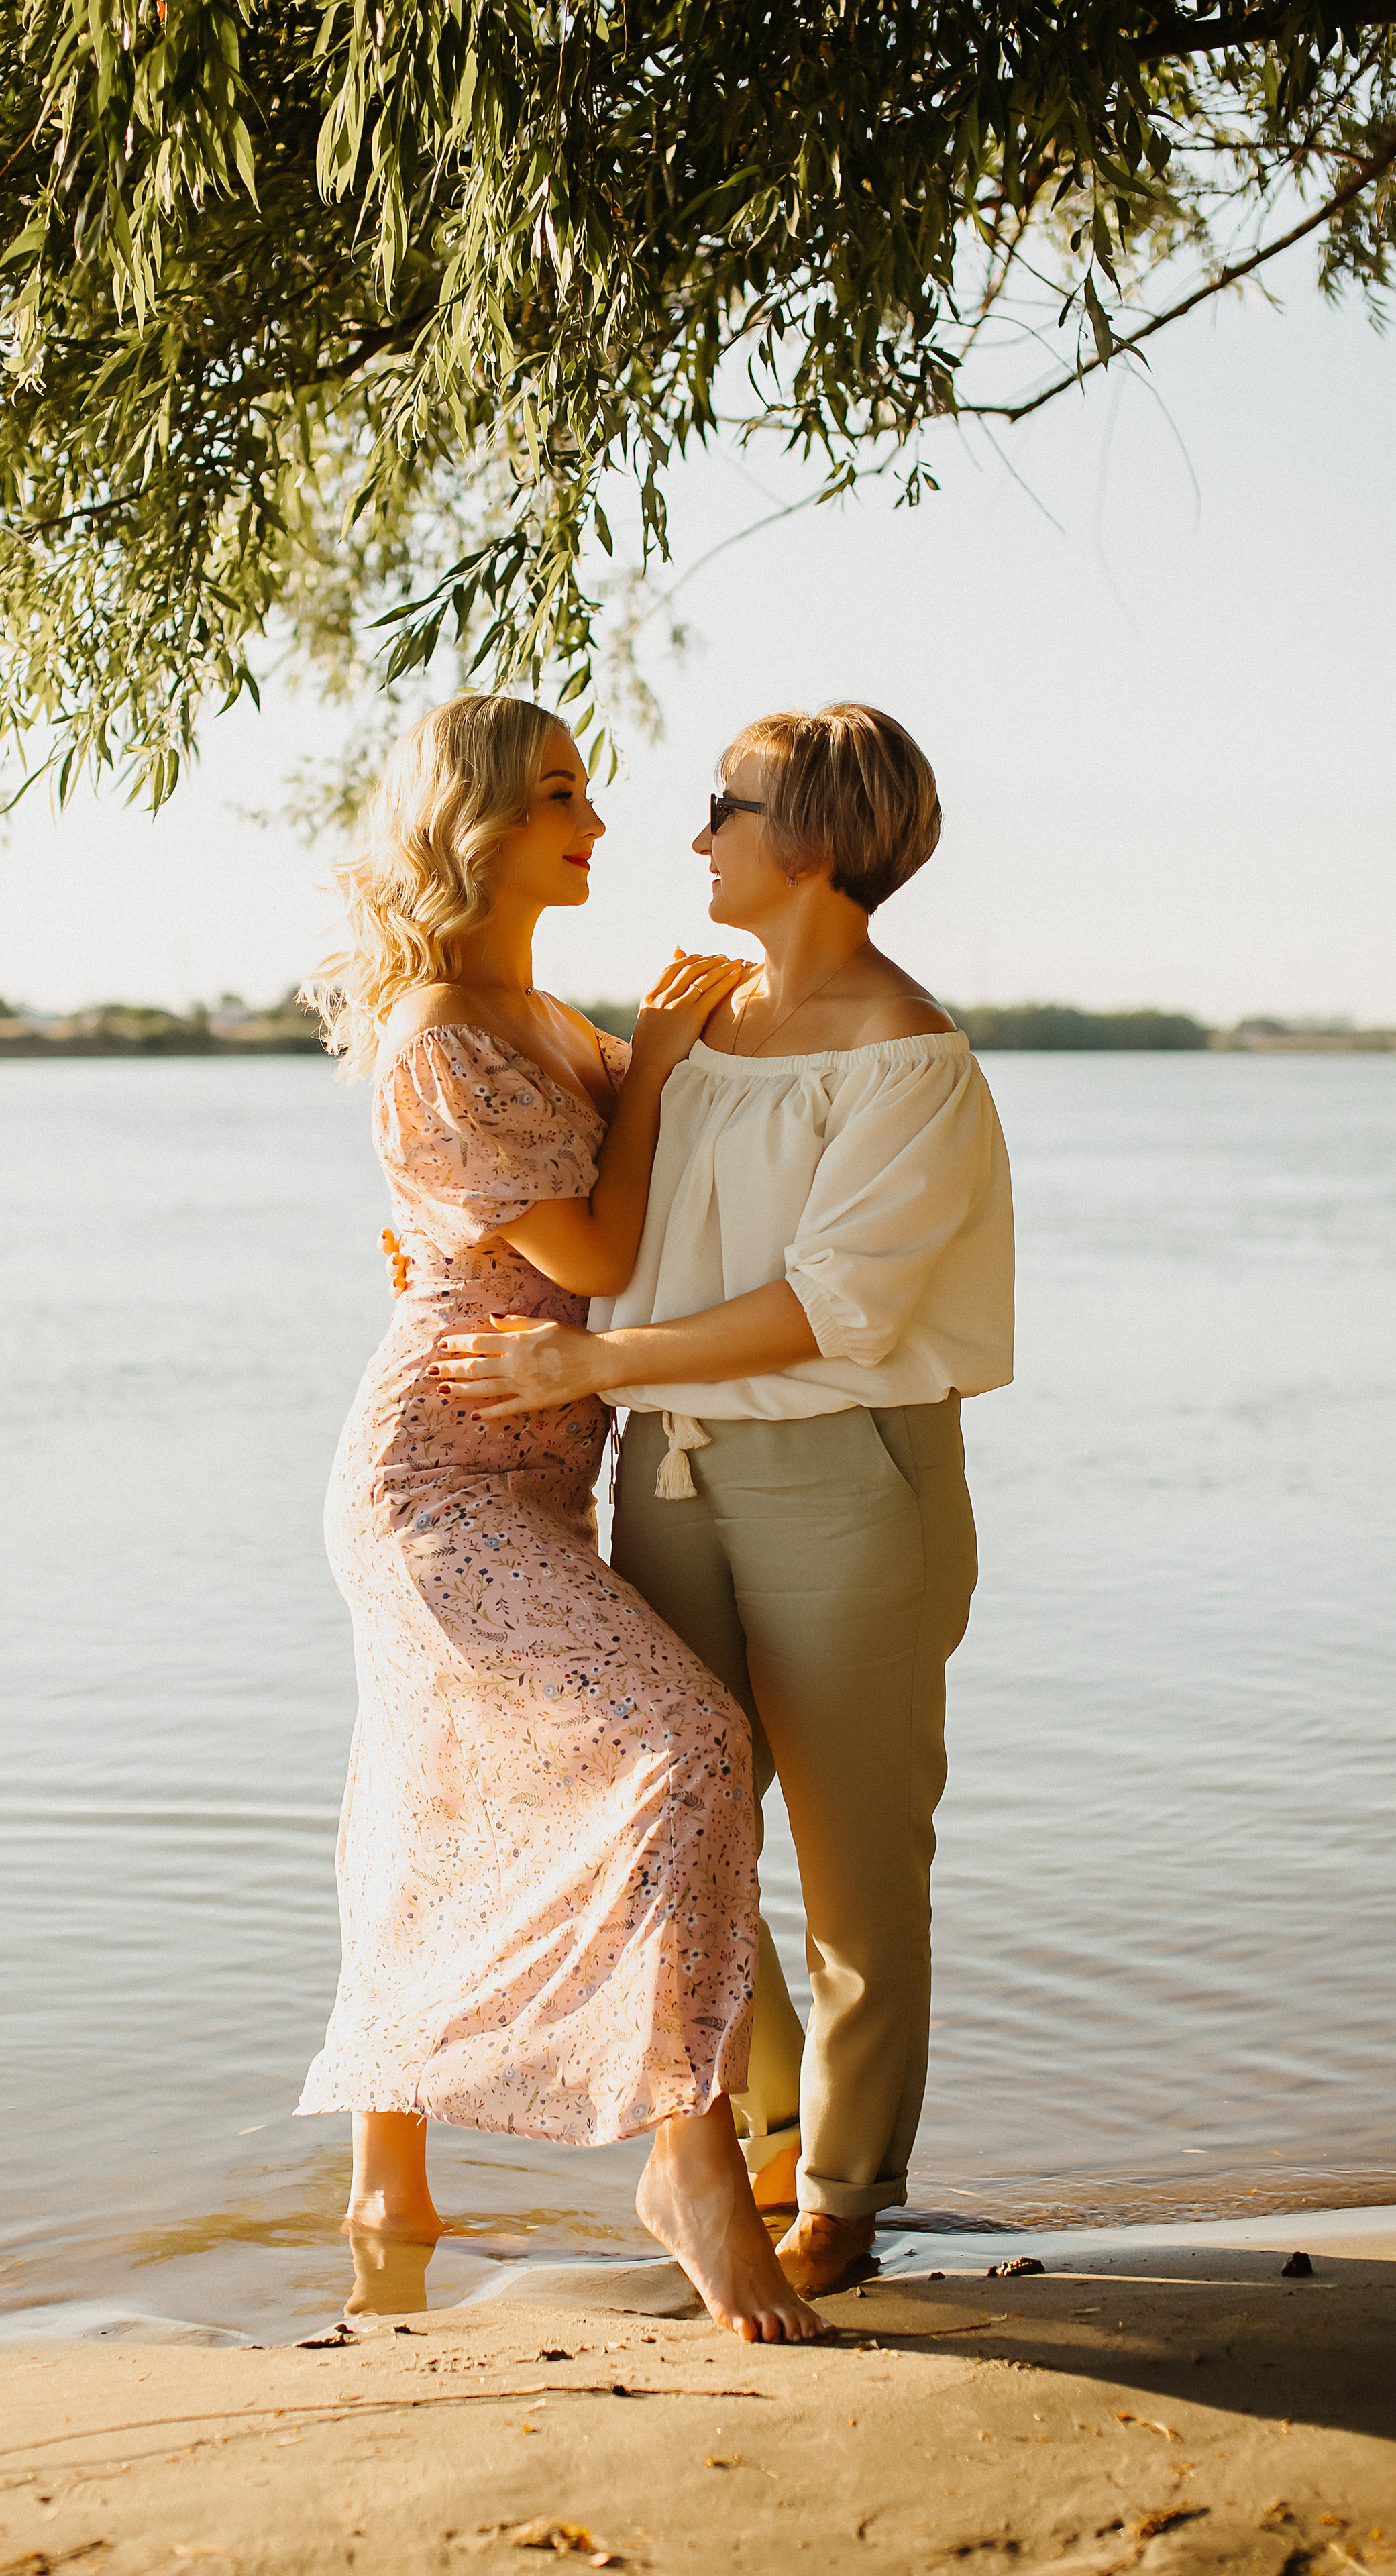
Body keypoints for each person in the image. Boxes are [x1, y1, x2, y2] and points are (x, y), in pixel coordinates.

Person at [436, 702, 1014, 2299]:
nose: (686, 835)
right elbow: (574, 1205)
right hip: (665, 1472)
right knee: (680, 1815)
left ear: (813, 840)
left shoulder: (909, 1059)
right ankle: (754, 2128)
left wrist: (587, 1369)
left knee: (855, 1858)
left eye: (723, 807)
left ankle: (841, 2191)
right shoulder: (697, 1035)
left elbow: (830, 1307)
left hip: (846, 1477)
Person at [296, 690, 829, 2343]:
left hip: (541, 1466)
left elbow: (641, 1215)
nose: (591, 819)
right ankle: (690, 2166)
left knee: (428, 1805)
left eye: (586, 787)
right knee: (685, 1743)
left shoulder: (547, 1020)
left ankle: (390, 2200)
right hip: (435, 1484)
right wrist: (661, 1063)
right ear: (474, 827)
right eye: (552, 796)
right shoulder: (442, 1031)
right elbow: (596, 1262)